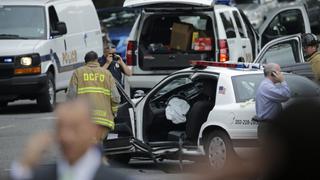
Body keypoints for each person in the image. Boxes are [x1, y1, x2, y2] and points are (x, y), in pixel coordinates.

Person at [10, 99, 131, 180]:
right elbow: (115, 97)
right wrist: (25, 164)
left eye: (75, 128)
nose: (66, 137)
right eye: (60, 128)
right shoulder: (37, 175)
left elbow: (71, 91)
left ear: (93, 131)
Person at [67, 51, 121, 143]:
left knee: (88, 146)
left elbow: (71, 96)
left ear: (85, 62)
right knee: (97, 145)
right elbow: (116, 97)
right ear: (97, 61)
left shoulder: (78, 73)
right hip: (104, 120)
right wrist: (114, 112)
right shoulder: (107, 74)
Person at [255, 63, 290, 139]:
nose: (281, 74)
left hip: (269, 126)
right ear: (273, 73)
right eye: (279, 72)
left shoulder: (267, 85)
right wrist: (283, 81)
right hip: (268, 127)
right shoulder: (267, 87)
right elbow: (286, 95)